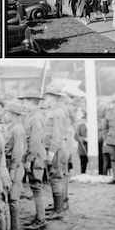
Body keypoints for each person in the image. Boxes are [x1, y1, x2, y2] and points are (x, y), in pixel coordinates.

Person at [17, 88, 47, 230]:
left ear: (31, 102)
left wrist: (29, 159)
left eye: (25, 101)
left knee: (36, 186)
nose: (24, 104)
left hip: (35, 155)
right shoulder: (31, 116)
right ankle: (39, 217)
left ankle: (41, 219)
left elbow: (35, 141)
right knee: (35, 187)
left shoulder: (35, 118)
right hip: (33, 154)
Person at [43, 84, 71, 221]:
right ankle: (60, 204)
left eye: (47, 96)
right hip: (60, 148)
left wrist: (51, 152)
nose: (45, 98)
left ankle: (58, 209)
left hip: (57, 149)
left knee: (55, 178)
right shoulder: (57, 110)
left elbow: (57, 135)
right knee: (61, 176)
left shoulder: (57, 112)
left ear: (53, 97)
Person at [3, 101, 26, 230]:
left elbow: (18, 152)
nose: (5, 116)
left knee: (13, 199)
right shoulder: (12, 128)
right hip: (10, 164)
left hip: (14, 166)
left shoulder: (17, 129)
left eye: (6, 113)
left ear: (12, 115)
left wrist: (12, 170)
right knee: (10, 199)